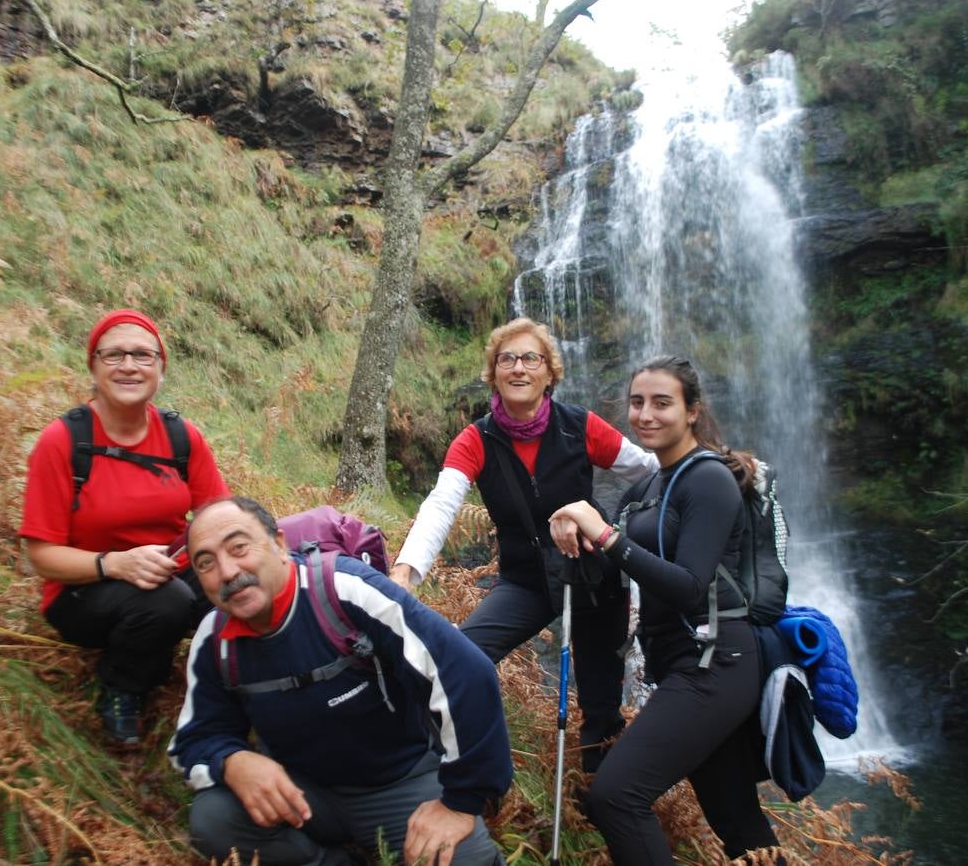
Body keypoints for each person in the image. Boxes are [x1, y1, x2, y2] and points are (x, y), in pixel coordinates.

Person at [169, 496, 512, 866]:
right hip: (302, 795)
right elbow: (195, 738)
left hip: (401, 783)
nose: (227, 571)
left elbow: (465, 673)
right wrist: (232, 762)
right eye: (206, 563)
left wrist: (461, 803)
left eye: (239, 547)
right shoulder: (214, 639)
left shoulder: (345, 590)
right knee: (213, 822)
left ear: (279, 545)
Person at [392, 317, 658, 772]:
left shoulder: (580, 427)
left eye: (530, 358)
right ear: (494, 372)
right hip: (526, 581)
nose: (519, 368)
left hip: (592, 578)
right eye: (507, 359)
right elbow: (441, 505)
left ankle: (601, 796)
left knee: (600, 705)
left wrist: (604, 526)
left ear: (549, 372)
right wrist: (405, 572)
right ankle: (464, 768)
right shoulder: (475, 440)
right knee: (463, 656)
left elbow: (650, 473)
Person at [549, 355, 780, 864]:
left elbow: (690, 588)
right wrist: (571, 528)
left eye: (662, 403)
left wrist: (604, 535)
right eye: (636, 403)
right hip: (682, 663)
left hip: (716, 664)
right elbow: (612, 559)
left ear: (692, 411)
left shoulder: (708, 480)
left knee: (616, 796)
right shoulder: (650, 486)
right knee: (737, 819)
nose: (645, 415)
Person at [19, 309, 229, 745]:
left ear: (161, 368)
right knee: (166, 602)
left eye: (142, 355)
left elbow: (221, 518)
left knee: (241, 585)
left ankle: (236, 691)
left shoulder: (181, 436)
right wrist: (114, 564)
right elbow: (41, 556)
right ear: (93, 366)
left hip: (168, 566)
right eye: (113, 355)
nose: (129, 366)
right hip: (86, 587)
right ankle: (123, 686)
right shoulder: (63, 442)